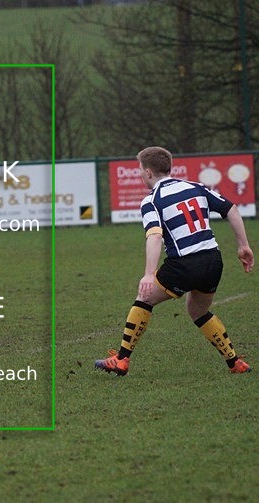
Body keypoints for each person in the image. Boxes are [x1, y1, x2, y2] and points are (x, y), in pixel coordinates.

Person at [95, 146, 254, 376]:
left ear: (148, 172)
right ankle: (235, 362)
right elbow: (231, 209)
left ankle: (121, 360)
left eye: (140, 170)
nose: (140, 174)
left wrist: (150, 273)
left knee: (144, 299)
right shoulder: (196, 187)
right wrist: (243, 245)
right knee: (198, 310)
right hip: (213, 260)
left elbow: (155, 235)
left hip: (184, 264)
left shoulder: (152, 200)